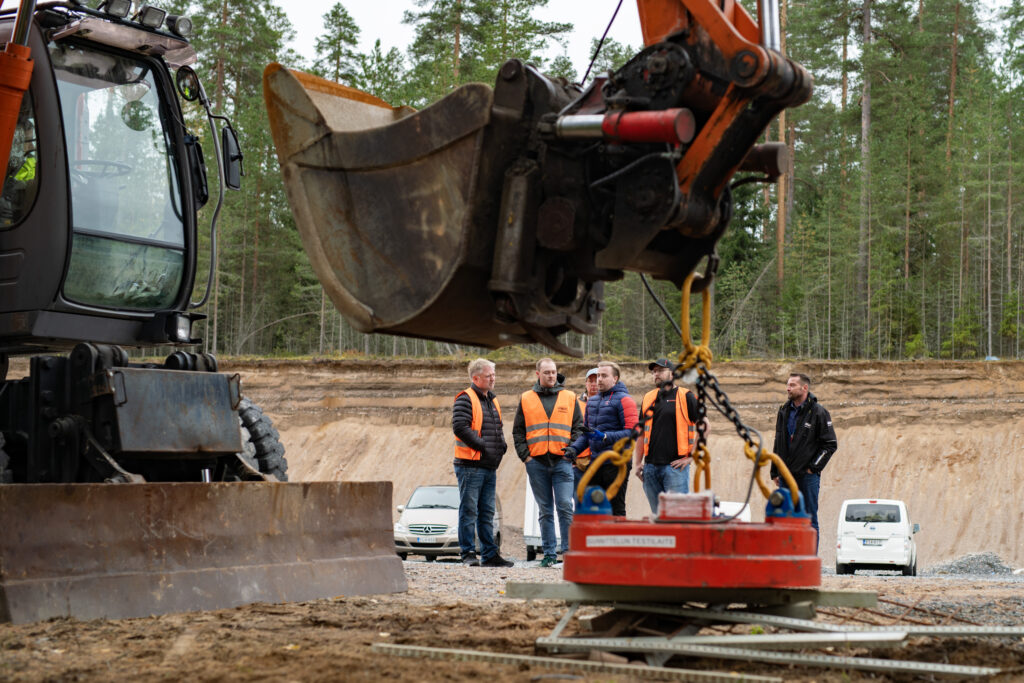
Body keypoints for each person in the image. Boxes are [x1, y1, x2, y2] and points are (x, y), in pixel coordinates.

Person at [513, 358, 583, 567]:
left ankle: (569, 553)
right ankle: (549, 554)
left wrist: (571, 452)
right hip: (537, 462)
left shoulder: (569, 397)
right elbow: (518, 430)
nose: (551, 376)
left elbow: (578, 428)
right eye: (547, 373)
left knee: (564, 505)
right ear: (538, 374)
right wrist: (525, 456)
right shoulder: (526, 398)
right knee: (545, 509)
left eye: (553, 372)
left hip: (562, 461)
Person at [452, 358, 513, 567]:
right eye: (489, 376)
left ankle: (489, 554)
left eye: (493, 375)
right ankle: (467, 553)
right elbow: (460, 427)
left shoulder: (492, 400)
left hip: (488, 465)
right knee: (469, 510)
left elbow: (498, 426)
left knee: (487, 512)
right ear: (475, 378)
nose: (493, 379)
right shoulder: (465, 398)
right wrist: (483, 446)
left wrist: (501, 445)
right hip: (470, 465)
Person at [771, 372, 838, 553]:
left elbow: (830, 445)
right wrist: (774, 471)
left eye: (792, 385)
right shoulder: (784, 411)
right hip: (785, 475)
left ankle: (809, 559)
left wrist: (812, 468)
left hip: (807, 478)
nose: (788, 388)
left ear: (804, 388)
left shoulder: (819, 412)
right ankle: (787, 558)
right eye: (787, 385)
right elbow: (778, 441)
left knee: (808, 518)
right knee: (785, 518)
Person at [568, 361, 637, 516]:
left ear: (615, 379)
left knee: (616, 507)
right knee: (593, 508)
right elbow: (587, 434)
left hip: (617, 463)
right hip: (596, 463)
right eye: (598, 375)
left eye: (604, 376)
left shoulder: (625, 400)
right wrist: (574, 449)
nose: (599, 379)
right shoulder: (592, 401)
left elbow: (633, 433)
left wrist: (605, 436)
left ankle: (619, 540)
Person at [633, 358, 701, 515]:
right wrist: (637, 463)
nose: (656, 374)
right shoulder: (648, 397)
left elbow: (705, 427)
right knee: (658, 520)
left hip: (675, 469)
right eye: (654, 371)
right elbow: (641, 433)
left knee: (678, 519)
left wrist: (691, 456)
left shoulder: (686, 396)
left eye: (660, 371)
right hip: (650, 469)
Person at [572, 368, 600, 495]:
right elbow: (569, 429)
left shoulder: (609, 403)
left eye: (596, 380)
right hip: (579, 462)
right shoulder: (574, 403)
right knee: (579, 501)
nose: (593, 384)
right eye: (590, 381)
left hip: (600, 461)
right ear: (586, 383)